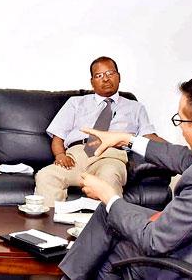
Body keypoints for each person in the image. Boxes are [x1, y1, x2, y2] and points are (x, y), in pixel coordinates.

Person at [59, 75, 192, 280]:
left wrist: (109, 196)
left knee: (112, 242)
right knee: (109, 216)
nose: (179, 127)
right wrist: (127, 139)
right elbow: (183, 157)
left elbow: (154, 241)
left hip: (189, 265)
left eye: (181, 119)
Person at [34, 56, 161, 207]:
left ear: (118, 77)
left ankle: (104, 229)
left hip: (111, 156)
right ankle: (50, 229)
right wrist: (60, 155)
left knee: (109, 177)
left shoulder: (135, 107)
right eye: (99, 76)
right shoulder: (75, 103)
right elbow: (58, 136)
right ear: (92, 82)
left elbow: (149, 136)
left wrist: (177, 152)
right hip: (76, 157)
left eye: (110, 74)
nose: (105, 79)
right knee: (46, 176)